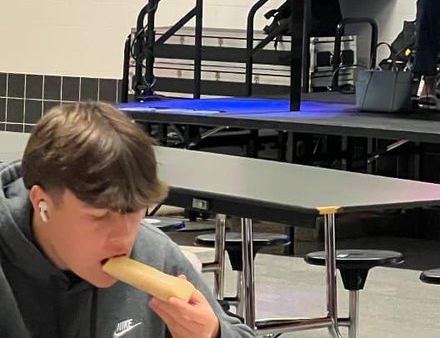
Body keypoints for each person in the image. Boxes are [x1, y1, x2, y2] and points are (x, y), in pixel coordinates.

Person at [0, 101, 253, 337]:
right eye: (99, 216)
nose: (124, 237)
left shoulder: (153, 252)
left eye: (134, 210)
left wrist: (213, 332)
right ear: (41, 203)